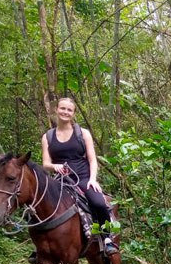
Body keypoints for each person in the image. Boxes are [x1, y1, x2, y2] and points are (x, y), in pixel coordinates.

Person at [40, 97, 118, 255]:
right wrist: (54, 166)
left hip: (82, 178)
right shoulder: (47, 137)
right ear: (56, 110)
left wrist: (92, 179)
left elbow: (92, 159)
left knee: (99, 203)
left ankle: (107, 238)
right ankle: (40, 246)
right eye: (62, 108)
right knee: (36, 204)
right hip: (59, 181)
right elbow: (45, 163)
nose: (65, 112)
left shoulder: (83, 133)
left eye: (69, 110)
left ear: (74, 113)